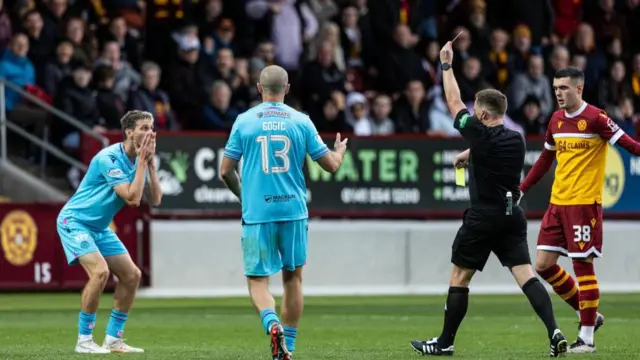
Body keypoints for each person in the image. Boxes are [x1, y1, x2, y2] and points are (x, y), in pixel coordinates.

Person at [410, 41, 567, 357]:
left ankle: (444, 342)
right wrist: (469, 153)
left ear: (482, 114)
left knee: (460, 277)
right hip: (512, 214)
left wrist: (446, 65)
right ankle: (555, 332)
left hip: (483, 216)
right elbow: (490, 147)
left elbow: (453, 101)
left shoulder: (479, 133)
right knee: (525, 275)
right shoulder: (517, 139)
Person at [219, 65, 348, 360]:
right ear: (287, 89)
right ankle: (287, 347)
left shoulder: (244, 121)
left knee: (257, 280)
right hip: (293, 210)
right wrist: (339, 151)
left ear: (257, 88)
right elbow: (330, 165)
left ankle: (272, 323)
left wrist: (244, 196)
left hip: (258, 213)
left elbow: (225, 171)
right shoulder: (301, 121)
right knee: (293, 279)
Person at [520, 67, 640, 353]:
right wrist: (522, 188)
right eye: (556, 88)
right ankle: (589, 314)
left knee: (582, 266)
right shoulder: (556, 120)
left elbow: (631, 146)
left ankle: (587, 338)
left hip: (584, 204)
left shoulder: (597, 118)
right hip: (557, 203)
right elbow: (545, 161)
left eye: (563, 88)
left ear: (579, 89)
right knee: (543, 265)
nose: (558, 93)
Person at [56, 110, 162, 354]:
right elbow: (132, 198)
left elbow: (155, 199)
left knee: (132, 275)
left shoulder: (141, 159)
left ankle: (114, 339)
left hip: (99, 228)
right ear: (129, 132)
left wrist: (151, 166)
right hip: (75, 221)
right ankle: (84, 340)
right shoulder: (109, 158)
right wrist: (142, 164)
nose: (150, 132)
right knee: (100, 272)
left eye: (151, 127)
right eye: (144, 128)